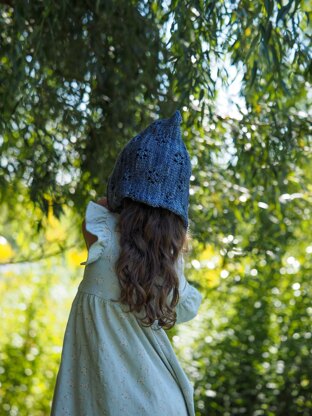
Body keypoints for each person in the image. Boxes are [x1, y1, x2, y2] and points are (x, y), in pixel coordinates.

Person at [50, 109, 203, 416]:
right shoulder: (167, 266)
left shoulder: (100, 234)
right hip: (161, 402)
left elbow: (106, 201)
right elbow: (188, 308)